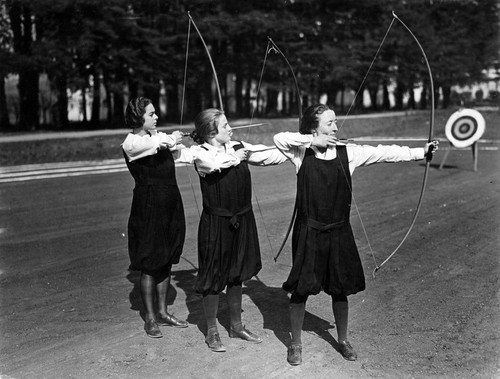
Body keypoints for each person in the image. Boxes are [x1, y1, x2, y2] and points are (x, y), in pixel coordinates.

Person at [273, 103, 439, 365]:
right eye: (329, 123)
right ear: (315, 127)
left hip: (339, 231)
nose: (336, 127)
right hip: (309, 232)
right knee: (302, 288)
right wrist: (312, 140)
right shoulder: (300, 152)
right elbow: (278, 138)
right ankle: (295, 344)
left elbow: (385, 152)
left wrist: (421, 151)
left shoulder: (347, 153)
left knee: (340, 288)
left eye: (336, 122)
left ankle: (343, 339)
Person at [185, 108, 288, 352]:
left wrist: (298, 150)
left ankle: (236, 326)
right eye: (225, 126)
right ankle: (212, 332)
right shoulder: (201, 153)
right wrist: (236, 155)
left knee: (237, 272)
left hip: (242, 220)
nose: (231, 129)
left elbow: (267, 156)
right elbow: (212, 165)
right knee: (213, 276)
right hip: (217, 224)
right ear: (211, 132)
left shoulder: (236, 145)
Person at [122, 97, 189, 338]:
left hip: (170, 201)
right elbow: (155, 145)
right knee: (150, 262)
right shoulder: (132, 142)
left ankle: (162, 312)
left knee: (166, 257)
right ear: (139, 117)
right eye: (151, 114)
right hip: (148, 206)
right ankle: (150, 318)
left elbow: (179, 152)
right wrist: (172, 138)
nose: (156, 117)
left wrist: (197, 139)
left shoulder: (156, 139)